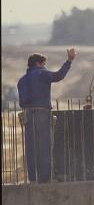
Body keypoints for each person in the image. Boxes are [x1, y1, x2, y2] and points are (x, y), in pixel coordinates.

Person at [17, 48, 76, 183]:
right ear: (38, 64)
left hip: (28, 115)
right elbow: (59, 76)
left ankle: (33, 178)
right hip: (42, 114)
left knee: (31, 148)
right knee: (44, 146)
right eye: (44, 64)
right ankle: (45, 178)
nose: (45, 67)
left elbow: (22, 102)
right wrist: (69, 61)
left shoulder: (21, 81)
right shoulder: (42, 74)